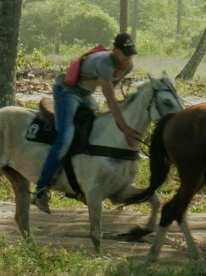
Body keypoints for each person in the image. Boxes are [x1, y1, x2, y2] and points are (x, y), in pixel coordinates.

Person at [33, 33, 137, 209]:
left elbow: (111, 95)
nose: (128, 58)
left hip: (85, 94)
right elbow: (110, 98)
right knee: (65, 137)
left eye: (131, 54)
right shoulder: (105, 63)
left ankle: (80, 184)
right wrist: (125, 128)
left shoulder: (127, 67)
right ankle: (41, 188)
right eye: (125, 54)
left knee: (95, 130)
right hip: (67, 91)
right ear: (115, 50)